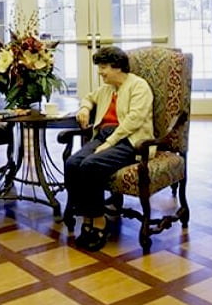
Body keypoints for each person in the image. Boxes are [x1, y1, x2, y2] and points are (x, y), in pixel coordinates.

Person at [65, 46, 154, 252]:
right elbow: (89, 98)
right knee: (72, 164)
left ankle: (99, 222)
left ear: (118, 66)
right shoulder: (107, 88)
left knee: (91, 165)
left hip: (131, 141)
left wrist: (109, 143)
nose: (100, 72)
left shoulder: (139, 86)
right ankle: (87, 215)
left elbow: (134, 120)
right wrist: (85, 108)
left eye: (103, 67)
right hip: (105, 135)